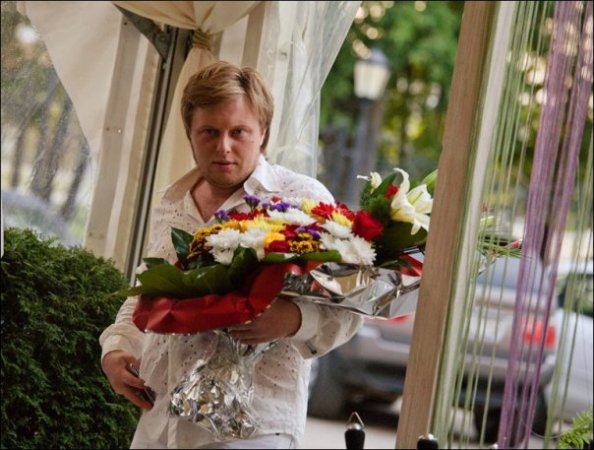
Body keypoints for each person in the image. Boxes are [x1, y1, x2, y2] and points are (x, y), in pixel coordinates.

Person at [99, 60, 363, 449]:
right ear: (190, 134)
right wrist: (117, 346)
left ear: (263, 133)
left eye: (238, 132)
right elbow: (148, 289)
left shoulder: (302, 199)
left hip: (254, 428)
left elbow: (353, 304)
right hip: (160, 422)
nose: (223, 146)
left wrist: (293, 319)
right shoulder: (171, 202)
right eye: (209, 132)